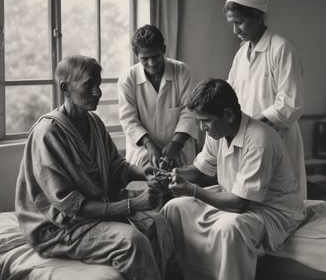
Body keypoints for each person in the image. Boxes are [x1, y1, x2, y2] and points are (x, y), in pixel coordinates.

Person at [15, 55, 174, 280]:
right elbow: (71, 206)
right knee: (132, 241)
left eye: (98, 84)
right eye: (89, 85)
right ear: (65, 88)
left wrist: (145, 173)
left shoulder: (94, 122)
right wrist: (133, 204)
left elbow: (115, 166)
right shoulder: (47, 133)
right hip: (59, 228)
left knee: (158, 223)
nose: (97, 92)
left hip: (93, 211)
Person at [161, 78, 305, 280]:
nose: (202, 128)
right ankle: (186, 275)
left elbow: (240, 204)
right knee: (175, 208)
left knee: (229, 228)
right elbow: (201, 172)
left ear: (228, 114)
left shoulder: (259, 139)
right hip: (232, 197)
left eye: (206, 121)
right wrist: (168, 175)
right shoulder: (217, 133)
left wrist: (192, 190)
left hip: (272, 210)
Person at [224, 0, 307, 199]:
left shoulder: (281, 49)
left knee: (280, 198)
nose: (235, 31)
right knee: (250, 198)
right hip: (249, 142)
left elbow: (290, 104)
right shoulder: (241, 55)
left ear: (257, 16)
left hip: (277, 139)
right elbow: (229, 96)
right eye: (232, 24)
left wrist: (251, 128)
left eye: (239, 22)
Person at [118, 24, 198, 171]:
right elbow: (129, 120)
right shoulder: (128, 79)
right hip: (143, 150)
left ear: (164, 50)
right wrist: (149, 145)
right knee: (148, 188)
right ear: (137, 56)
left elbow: (189, 111)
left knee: (181, 189)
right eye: (145, 58)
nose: (152, 63)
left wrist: (175, 144)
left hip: (179, 147)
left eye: (156, 56)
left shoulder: (181, 71)